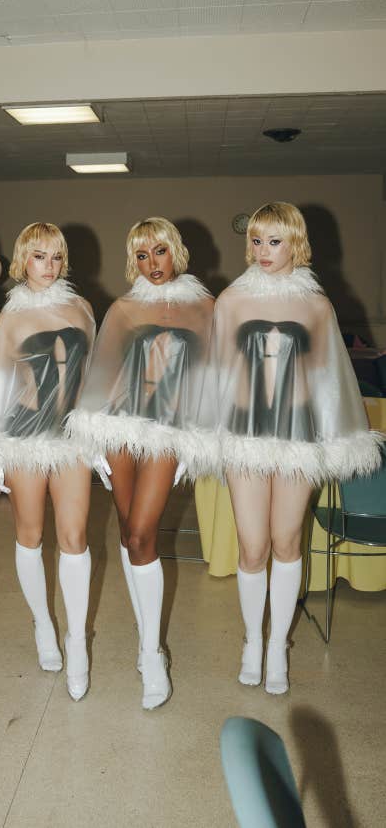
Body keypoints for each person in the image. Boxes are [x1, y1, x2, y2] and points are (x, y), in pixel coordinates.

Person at [213, 201, 382, 694]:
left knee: (287, 541)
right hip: (244, 433)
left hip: (298, 435)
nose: (263, 251)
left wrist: (334, 436)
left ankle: (276, 647)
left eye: (275, 241)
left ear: (296, 243)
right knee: (252, 545)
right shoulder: (231, 300)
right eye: (257, 241)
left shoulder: (316, 305)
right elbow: (216, 374)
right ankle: (251, 640)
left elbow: (329, 380)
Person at [66, 217, 215, 709]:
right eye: (142, 255)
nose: (152, 263)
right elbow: (103, 374)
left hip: (168, 430)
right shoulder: (125, 308)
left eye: (159, 251)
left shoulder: (205, 306)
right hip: (120, 428)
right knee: (129, 533)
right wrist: (93, 440)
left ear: (176, 251)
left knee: (142, 536)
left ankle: (152, 654)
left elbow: (216, 376)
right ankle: (144, 637)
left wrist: (199, 437)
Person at [0, 222, 95, 701]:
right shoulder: (10, 318)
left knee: (75, 537)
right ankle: (43, 622)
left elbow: (92, 375)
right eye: (40, 256)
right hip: (24, 433)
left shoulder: (82, 308)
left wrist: (99, 434)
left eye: (57, 257)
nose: (49, 266)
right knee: (30, 533)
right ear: (23, 261)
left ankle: (77, 642)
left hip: (71, 435)